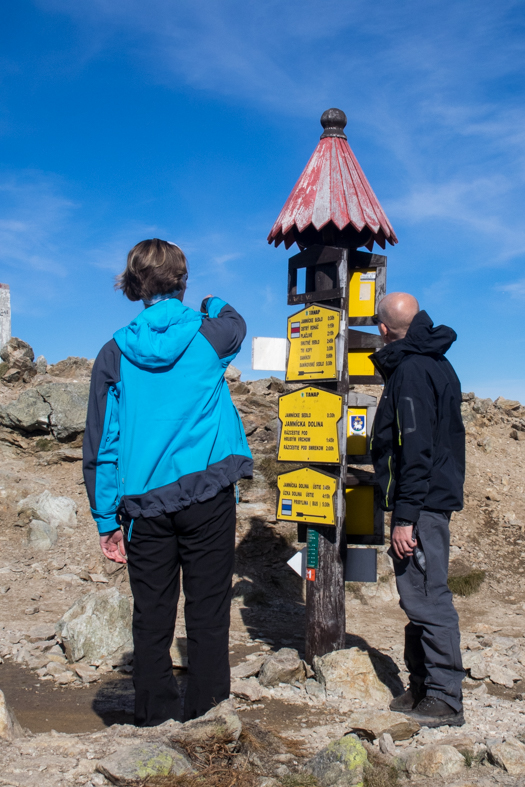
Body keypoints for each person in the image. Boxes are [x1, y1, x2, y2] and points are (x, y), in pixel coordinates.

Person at [83, 238, 253, 726]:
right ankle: (209, 717)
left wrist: (104, 519)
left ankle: (153, 717)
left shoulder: (113, 353)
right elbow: (235, 320)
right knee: (208, 608)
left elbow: (101, 443)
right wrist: (209, 301)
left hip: (143, 505)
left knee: (152, 613)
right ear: (181, 280)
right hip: (208, 493)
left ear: (134, 285)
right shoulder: (210, 335)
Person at [370, 292, 465, 728]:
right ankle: (423, 687)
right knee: (417, 596)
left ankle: (445, 698)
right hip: (428, 500)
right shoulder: (436, 361)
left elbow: (416, 449)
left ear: (385, 329)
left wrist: (405, 517)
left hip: (422, 505)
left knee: (428, 597)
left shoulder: (410, 369)